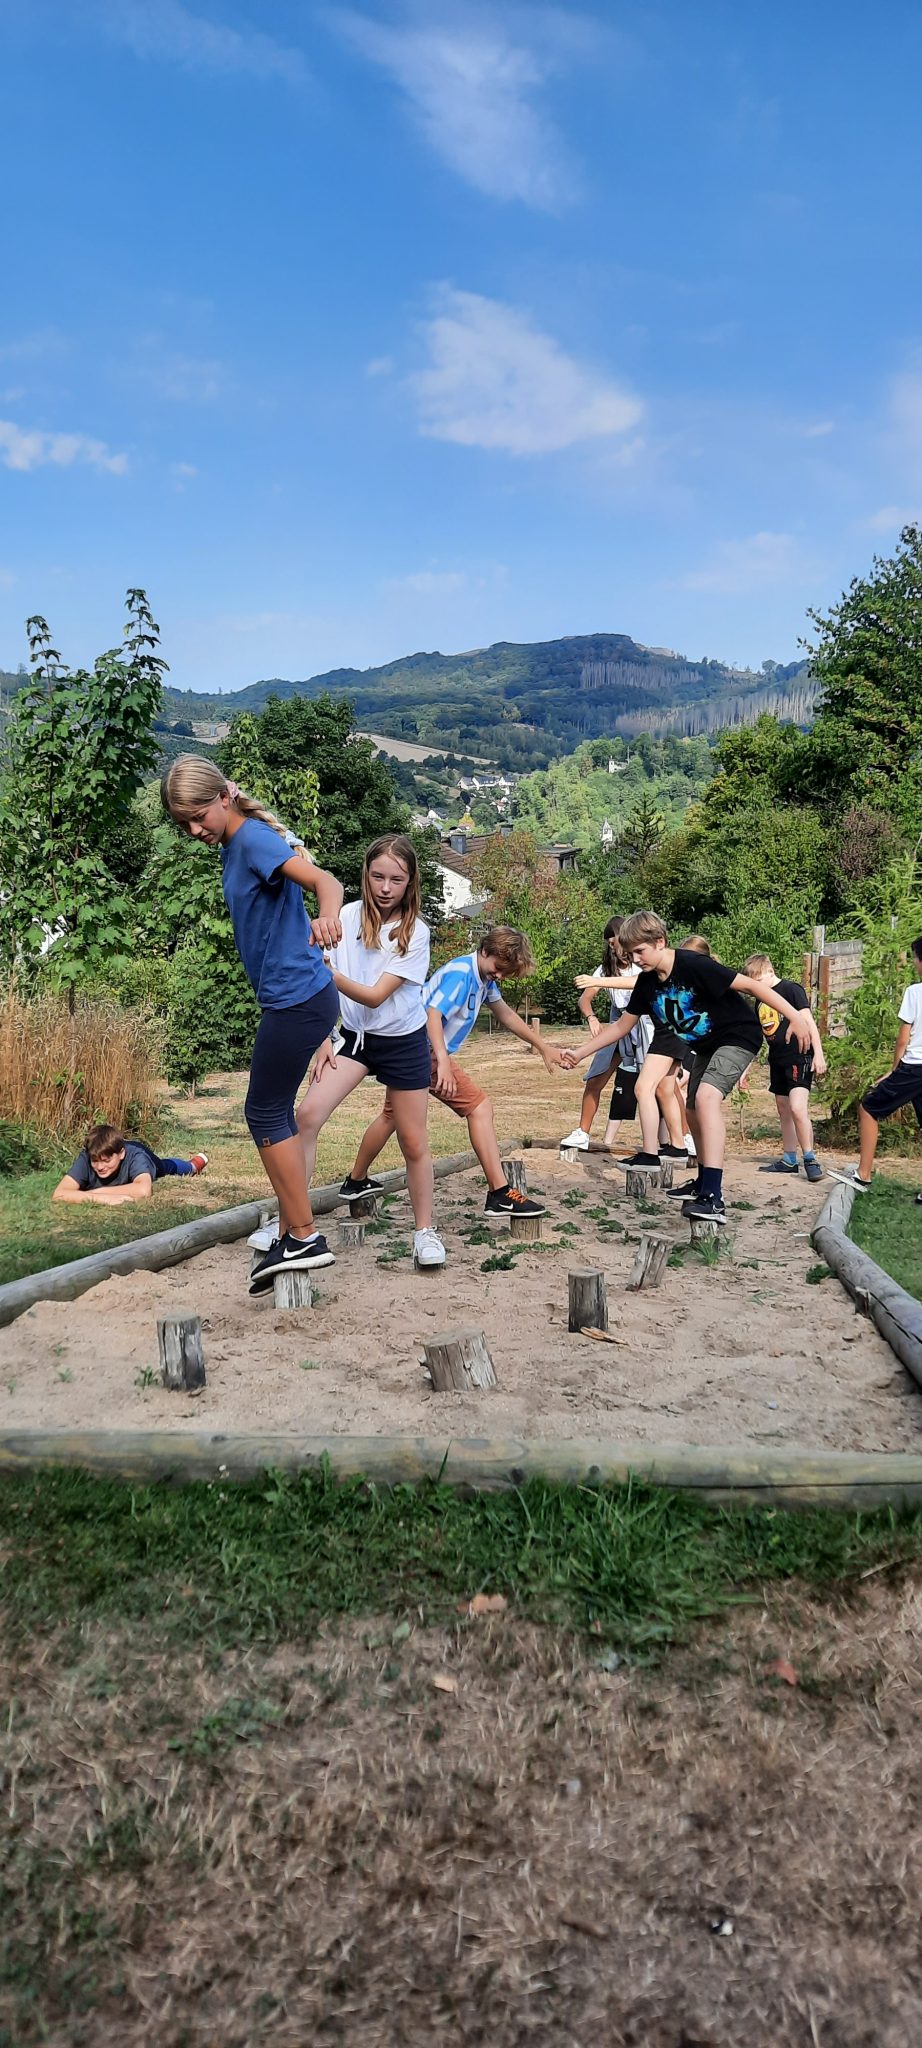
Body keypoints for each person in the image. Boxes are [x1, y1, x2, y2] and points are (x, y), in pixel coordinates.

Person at [161, 756, 343, 1293]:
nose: (194, 831)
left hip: (297, 999)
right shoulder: (235, 842)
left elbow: (325, 881)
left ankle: (303, 1235)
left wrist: (328, 915)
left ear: (222, 798)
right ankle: (291, 1235)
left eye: (198, 817)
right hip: (295, 999)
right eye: (183, 824)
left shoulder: (253, 841)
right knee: (274, 1113)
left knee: (263, 1112)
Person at [561, 910, 816, 1224]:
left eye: (640, 951)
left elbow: (752, 987)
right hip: (706, 1045)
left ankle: (714, 1197)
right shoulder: (647, 983)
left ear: (660, 941)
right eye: (630, 954)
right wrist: (579, 1053)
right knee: (692, 1110)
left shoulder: (693, 965)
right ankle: (703, 1180)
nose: (636, 959)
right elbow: (621, 1027)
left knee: (707, 1099)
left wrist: (796, 1017)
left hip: (738, 1036)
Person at [297, 833, 447, 1269]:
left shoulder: (416, 932)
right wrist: (323, 1039)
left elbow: (376, 996)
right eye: (378, 877)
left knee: (412, 1140)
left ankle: (424, 1232)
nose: (385, 888)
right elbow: (318, 987)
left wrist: (326, 972)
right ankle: (293, 1221)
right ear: (366, 874)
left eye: (396, 880)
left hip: (402, 1041)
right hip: (353, 1038)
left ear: (410, 882)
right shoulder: (345, 915)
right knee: (306, 1117)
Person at [341, 925, 557, 1217]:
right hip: (422, 1048)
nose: (500, 976)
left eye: (506, 973)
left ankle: (355, 1181)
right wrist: (442, 1061)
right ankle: (500, 1193)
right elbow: (433, 1014)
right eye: (498, 968)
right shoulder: (462, 974)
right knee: (479, 1108)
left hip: (413, 1049)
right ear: (484, 951)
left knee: (392, 1116)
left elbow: (505, 1014)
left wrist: (542, 1046)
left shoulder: (483, 977)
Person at [832, 935, 922, 1193]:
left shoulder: (915, 992)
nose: (914, 963)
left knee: (869, 1108)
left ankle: (863, 1174)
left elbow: (903, 1038)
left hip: (914, 1067)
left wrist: (894, 1070)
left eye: (915, 958)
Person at [560, 917, 652, 1152]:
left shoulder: (641, 962)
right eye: (610, 944)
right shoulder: (604, 969)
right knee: (595, 1079)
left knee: (658, 1084)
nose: (613, 948)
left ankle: (680, 1137)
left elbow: (637, 983)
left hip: (644, 1024)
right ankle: (582, 1132)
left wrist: (598, 980)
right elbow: (585, 998)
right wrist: (591, 1017)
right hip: (618, 1025)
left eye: (616, 942)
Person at [744, 953, 826, 1182]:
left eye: (758, 981)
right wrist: (746, 1068)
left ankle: (810, 1158)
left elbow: (809, 1022)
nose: (756, 987)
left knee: (798, 1108)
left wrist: (819, 1054)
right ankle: (789, 1159)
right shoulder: (760, 1001)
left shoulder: (791, 990)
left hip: (799, 1057)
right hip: (777, 1059)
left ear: (770, 972)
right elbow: (758, 1036)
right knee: (783, 1108)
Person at [53, 1124, 208, 1205]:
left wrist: (96, 1192)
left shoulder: (136, 1157)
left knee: (165, 1167)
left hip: (141, 1152)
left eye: (106, 1161)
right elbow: (59, 1194)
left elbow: (143, 1191)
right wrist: (102, 1198)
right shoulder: (87, 1156)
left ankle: (193, 1165)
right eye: (95, 1161)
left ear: (121, 1154)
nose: (100, 1167)